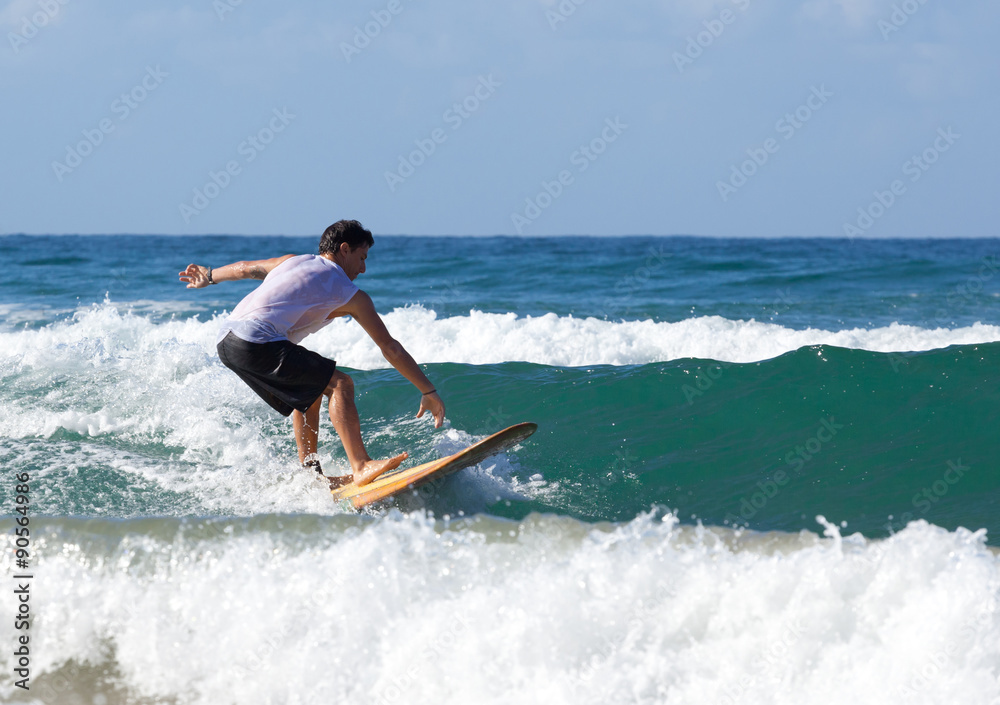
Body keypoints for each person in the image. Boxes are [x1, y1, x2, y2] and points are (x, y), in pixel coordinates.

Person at [179, 220, 445, 489]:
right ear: (344, 249)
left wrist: (210, 275)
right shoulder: (347, 290)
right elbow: (390, 348)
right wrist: (428, 390)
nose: (363, 268)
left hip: (227, 339)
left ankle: (311, 477)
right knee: (340, 383)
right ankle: (362, 465)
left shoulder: (292, 262)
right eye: (362, 258)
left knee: (312, 390)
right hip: (256, 339)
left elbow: (247, 268)